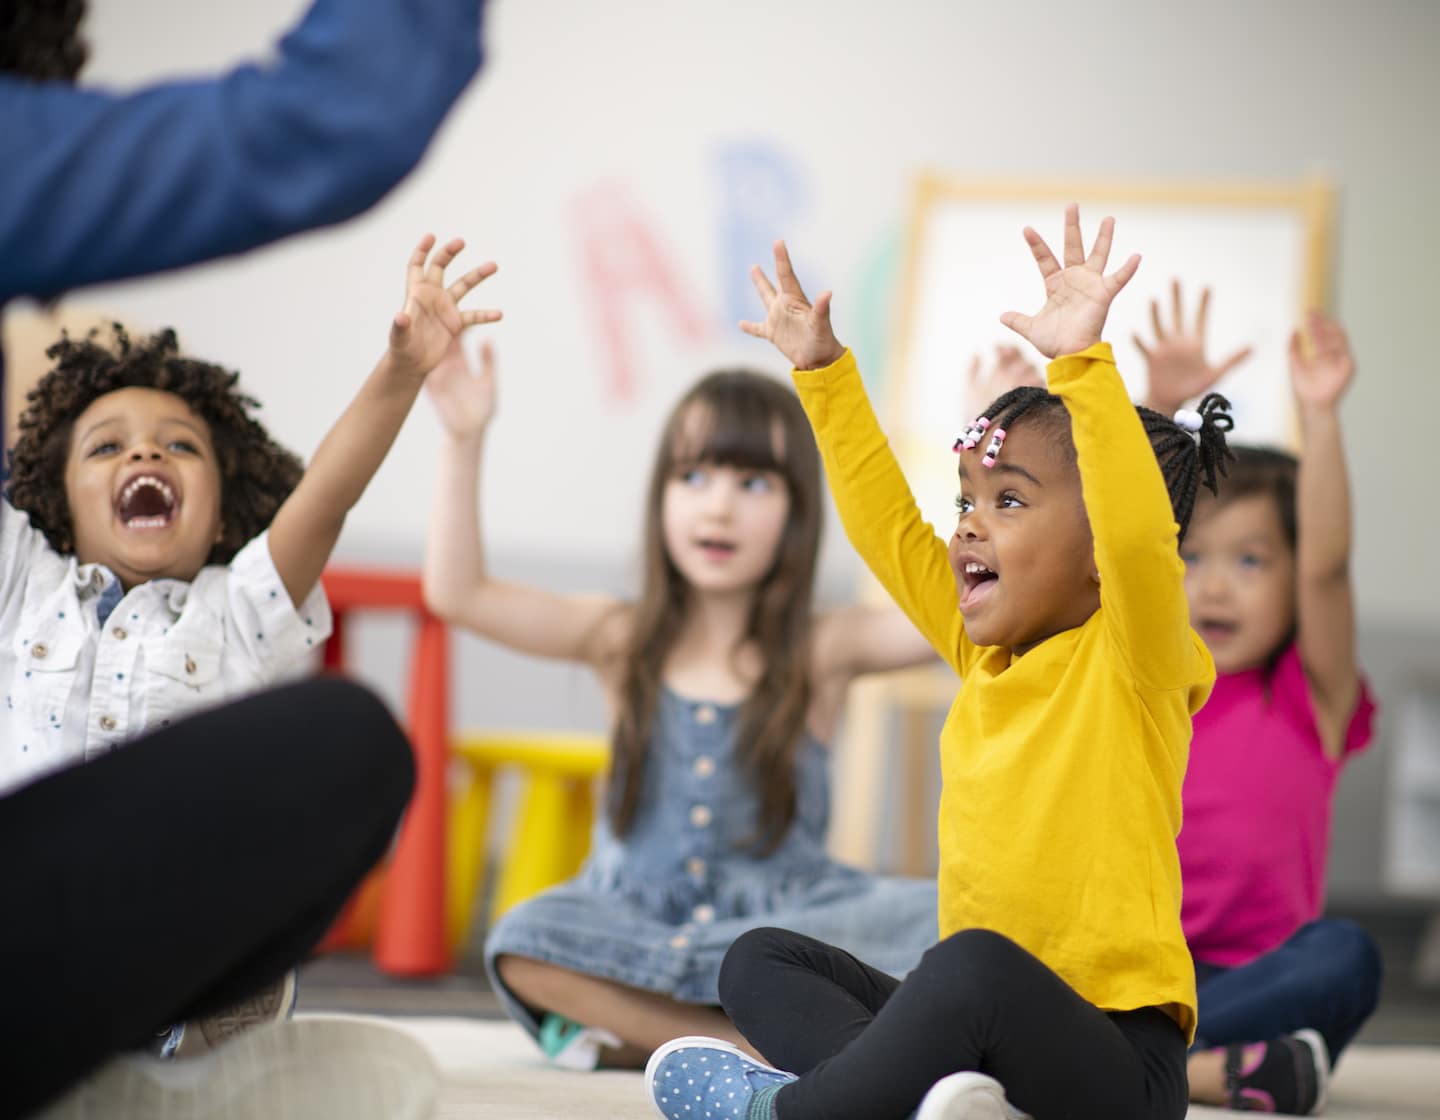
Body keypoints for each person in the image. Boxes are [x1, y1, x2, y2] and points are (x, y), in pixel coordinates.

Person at [0, 2, 488, 1114]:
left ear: (223, 499)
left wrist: (403, 370)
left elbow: (330, 489)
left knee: (355, 736)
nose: (147, 456)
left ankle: (179, 1055)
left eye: (179, 446)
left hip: (162, 943)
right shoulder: (22, 577)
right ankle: (124, 1079)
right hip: (42, 918)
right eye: (109, 446)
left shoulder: (239, 605)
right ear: (50, 492)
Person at [643, 208, 1232, 1120]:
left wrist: (1081, 363)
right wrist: (822, 375)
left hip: (1119, 1063)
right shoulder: (980, 651)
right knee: (760, 959)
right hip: (985, 1047)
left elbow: (1141, 538)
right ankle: (924, 1103)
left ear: (1098, 551)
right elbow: (888, 530)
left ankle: (796, 1113)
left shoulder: (1138, 657)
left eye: (1008, 499)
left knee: (971, 968)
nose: (968, 523)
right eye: (967, 498)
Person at [422, 340, 940, 1068]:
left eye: (754, 483)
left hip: (787, 926)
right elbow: (459, 594)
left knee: (959, 920)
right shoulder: (621, 637)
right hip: (633, 920)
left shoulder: (824, 646)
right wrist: (461, 435)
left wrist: (990, 473)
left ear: (798, 511)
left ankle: (646, 1035)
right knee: (523, 939)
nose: (719, 506)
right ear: (661, 497)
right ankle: (746, 1046)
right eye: (693, 476)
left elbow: (960, 612)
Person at [1139, 284, 1380, 1114]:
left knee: (1345, 955)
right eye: (1193, 557)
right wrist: (1159, 412)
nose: (1213, 587)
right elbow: (1116, 537)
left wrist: (1321, 419)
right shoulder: (1148, 678)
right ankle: (1206, 1071)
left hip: (1260, 982)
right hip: (1140, 971)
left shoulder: (1311, 695)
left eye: (1250, 561)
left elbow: (1327, 567)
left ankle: (1119, 1063)